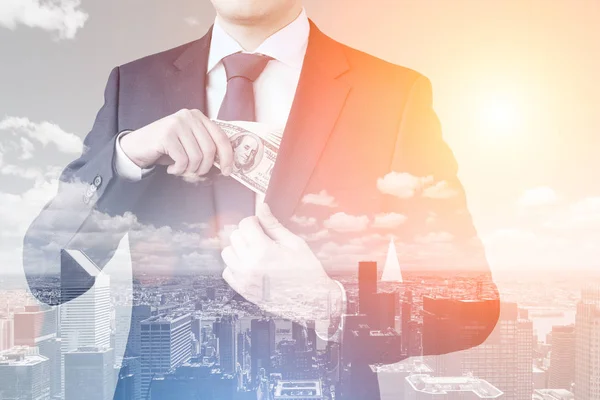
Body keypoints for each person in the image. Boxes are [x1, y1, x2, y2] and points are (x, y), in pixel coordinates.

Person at [23, 1, 500, 399]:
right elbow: (50, 279)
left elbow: (471, 305)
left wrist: (329, 304)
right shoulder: (134, 84)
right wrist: (126, 155)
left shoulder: (393, 95)